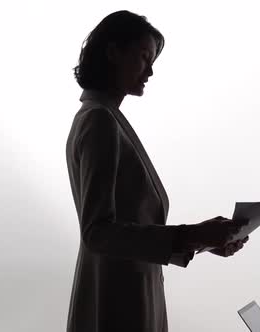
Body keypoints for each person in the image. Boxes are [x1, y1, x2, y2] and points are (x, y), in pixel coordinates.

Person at [66, 10, 249, 332]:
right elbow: (98, 232)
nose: (150, 71)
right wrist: (193, 235)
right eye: (143, 57)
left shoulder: (104, 118)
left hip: (126, 294)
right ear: (113, 52)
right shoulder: (99, 121)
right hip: (116, 303)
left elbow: (126, 228)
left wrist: (200, 242)